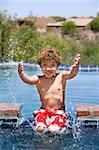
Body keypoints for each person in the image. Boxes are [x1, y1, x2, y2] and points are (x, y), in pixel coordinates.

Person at [18, 47, 80, 133]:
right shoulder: (38, 79)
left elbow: (72, 74)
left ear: (57, 66)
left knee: (53, 129)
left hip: (59, 112)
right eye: (45, 65)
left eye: (52, 65)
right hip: (43, 111)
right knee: (40, 128)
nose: (48, 69)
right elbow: (28, 80)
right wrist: (21, 74)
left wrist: (76, 66)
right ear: (40, 66)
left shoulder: (61, 76)